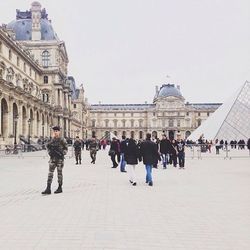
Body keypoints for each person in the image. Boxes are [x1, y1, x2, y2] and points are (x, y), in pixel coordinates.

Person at [42, 126, 68, 195]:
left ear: (59, 132)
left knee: (59, 173)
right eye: (54, 131)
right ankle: (48, 188)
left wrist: (62, 153)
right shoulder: (51, 139)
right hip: (53, 158)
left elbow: (66, 148)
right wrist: (50, 152)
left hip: (60, 159)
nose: (55, 132)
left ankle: (60, 187)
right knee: (50, 173)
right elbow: (47, 146)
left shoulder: (62, 139)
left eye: (57, 131)